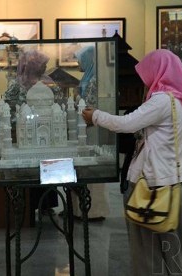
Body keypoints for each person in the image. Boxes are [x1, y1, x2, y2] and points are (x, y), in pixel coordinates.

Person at [82, 49, 182, 275]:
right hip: (178, 180)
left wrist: (95, 116)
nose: (144, 80)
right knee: (178, 252)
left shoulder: (162, 101)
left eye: (146, 74)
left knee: (149, 253)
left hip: (157, 184)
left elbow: (127, 123)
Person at [3, 49, 59, 215]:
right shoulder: (17, 84)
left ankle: (46, 204)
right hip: (23, 133)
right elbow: (8, 106)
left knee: (47, 168)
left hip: (46, 132)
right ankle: (27, 205)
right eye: (42, 65)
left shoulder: (48, 82)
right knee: (27, 170)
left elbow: (58, 103)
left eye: (45, 65)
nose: (44, 68)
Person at [71, 46, 109, 220]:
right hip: (84, 127)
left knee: (91, 167)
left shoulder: (94, 79)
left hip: (91, 128)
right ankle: (78, 209)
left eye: (80, 59)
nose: (78, 63)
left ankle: (93, 210)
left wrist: (77, 95)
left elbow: (90, 105)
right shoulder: (87, 77)